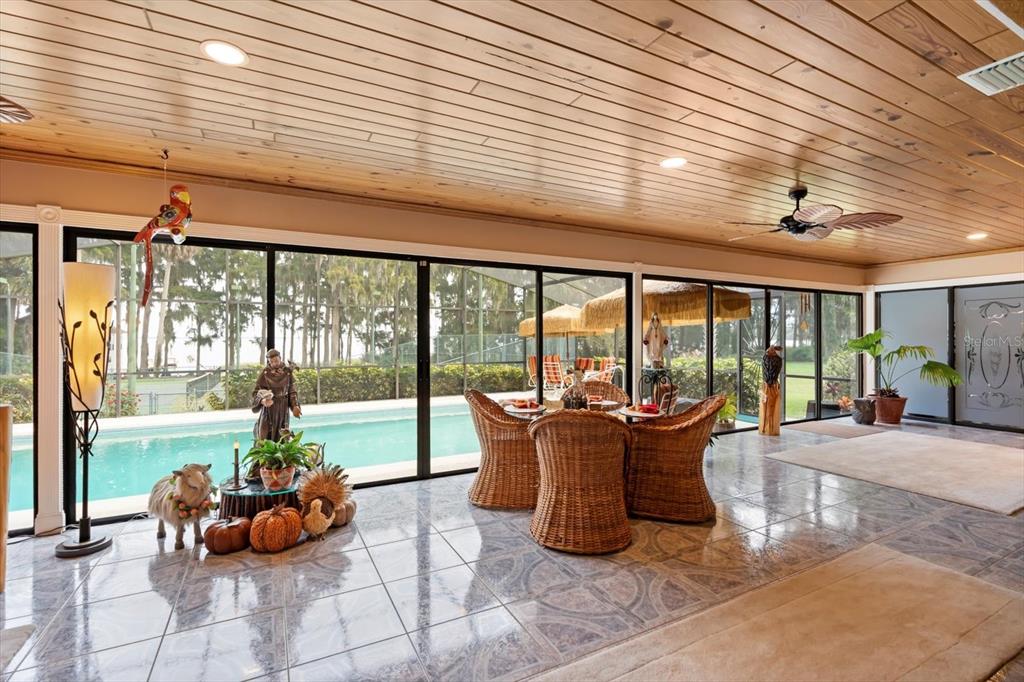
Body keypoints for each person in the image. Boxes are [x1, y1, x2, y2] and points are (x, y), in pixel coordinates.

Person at [251, 349, 301, 443]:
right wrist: (263, 401)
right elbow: (255, 393)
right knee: (265, 436)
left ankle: (281, 457)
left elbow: (292, 392)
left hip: (283, 408)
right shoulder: (265, 373)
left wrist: (295, 406)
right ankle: (264, 456)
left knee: (283, 436)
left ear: (280, 359)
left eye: (276, 361)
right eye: (272, 362)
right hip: (269, 410)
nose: (275, 363)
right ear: (269, 362)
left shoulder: (287, 372)